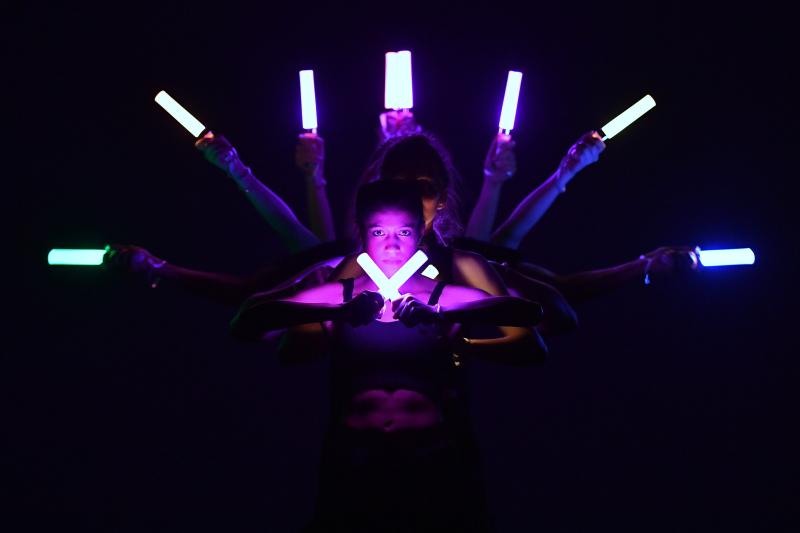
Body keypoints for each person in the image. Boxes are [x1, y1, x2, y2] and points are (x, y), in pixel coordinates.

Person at [231, 180, 546, 531]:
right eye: (379, 231)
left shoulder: (441, 294)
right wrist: (339, 312)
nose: (393, 245)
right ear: (363, 235)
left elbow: (527, 314)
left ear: (419, 235)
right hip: (353, 462)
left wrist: (440, 313)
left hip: (433, 461)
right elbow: (246, 322)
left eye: (404, 231)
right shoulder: (342, 293)